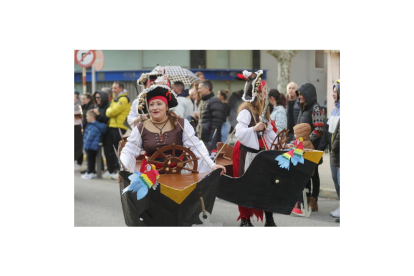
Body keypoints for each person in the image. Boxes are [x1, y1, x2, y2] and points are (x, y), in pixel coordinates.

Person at [120, 80, 225, 175]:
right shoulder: (141, 128)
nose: (155, 108)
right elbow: (129, 150)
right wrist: (124, 169)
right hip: (151, 176)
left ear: (166, 107)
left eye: (159, 104)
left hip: (180, 172)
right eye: (151, 104)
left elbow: (195, 147)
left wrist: (212, 165)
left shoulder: (181, 124)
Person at [234, 70, 277, 226]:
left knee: (266, 185)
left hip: (261, 153)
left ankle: (269, 218)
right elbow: (239, 133)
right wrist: (254, 129)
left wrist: (282, 145)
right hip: (246, 152)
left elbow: (271, 134)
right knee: (246, 186)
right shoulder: (247, 111)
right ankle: (245, 219)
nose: (266, 93)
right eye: (264, 90)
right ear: (257, 92)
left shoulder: (264, 110)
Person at [295, 83, 326, 212]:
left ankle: (314, 201)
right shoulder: (303, 107)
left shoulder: (316, 108)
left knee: (314, 174)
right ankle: (307, 198)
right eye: (299, 94)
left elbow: (319, 127)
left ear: (309, 95)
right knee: (305, 173)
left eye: (302, 94)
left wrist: (307, 141)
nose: (300, 96)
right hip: (303, 146)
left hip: (313, 147)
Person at [318, 80, 340, 220]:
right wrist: (320, 149)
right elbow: (328, 132)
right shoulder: (334, 109)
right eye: (333, 91)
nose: (333, 94)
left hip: (341, 151)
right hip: (333, 152)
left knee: (341, 179)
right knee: (335, 178)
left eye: (336, 91)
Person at [104, 82, 131, 180]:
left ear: (121, 88)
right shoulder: (116, 98)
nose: (113, 90)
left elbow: (111, 112)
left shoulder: (123, 99)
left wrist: (109, 110)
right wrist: (109, 110)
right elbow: (109, 111)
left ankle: (120, 171)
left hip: (119, 127)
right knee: (110, 150)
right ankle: (113, 170)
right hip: (113, 126)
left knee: (119, 151)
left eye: (115, 88)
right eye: (112, 88)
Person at [290, 123, 314, 216]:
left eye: (296, 134)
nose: (294, 135)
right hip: (306, 171)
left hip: (299, 171)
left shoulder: (301, 145)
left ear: (301, 135)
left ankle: (300, 207)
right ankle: (301, 206)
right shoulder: (308, 143)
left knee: (299, 190)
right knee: (302, 189)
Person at [196, 80, 224, 153]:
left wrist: (212, 139)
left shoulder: (215, 101)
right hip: (202, 137)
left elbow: (217, 122)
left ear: (207, 88)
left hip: (209, 138)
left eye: (200, 88)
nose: (198, 90)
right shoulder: (203, 101)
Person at [81, 110, 107, 179]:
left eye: (87, 116)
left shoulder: (95, 126)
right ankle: (90, 171)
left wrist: (86, 145)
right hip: (90, 146)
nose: (86, 118)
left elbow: (90, 136)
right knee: (90, 160)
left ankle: (90, 173)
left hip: (92, 146)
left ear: (92, 117)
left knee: (91, 161)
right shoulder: (90, 125)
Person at [74, 91, 83, 171]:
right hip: (74, 126)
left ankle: (79, 163)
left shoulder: (79, 105)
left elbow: (81, 115)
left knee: (78, 145)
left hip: (78, 126)